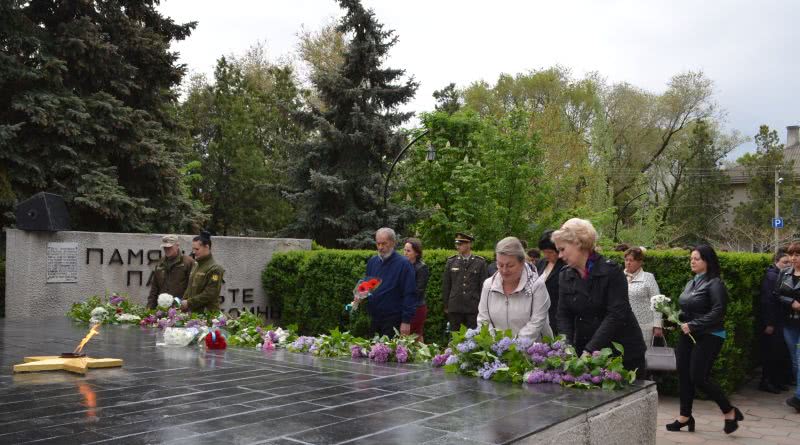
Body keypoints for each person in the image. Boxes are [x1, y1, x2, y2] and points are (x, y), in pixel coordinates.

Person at [667, 245, 743, 434]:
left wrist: (694, 325)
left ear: (707, 261)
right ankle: (685, 416)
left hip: (709, 335)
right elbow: (687, 308)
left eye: (697, 259)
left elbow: (719, 311)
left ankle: (729, 411)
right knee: (684, 375)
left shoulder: (715, 283)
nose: (692, 261)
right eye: (691, 258)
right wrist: (674, 318)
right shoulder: (691, 282)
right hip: (687, 335)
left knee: (698, 377)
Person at [552, 218, 646, 372]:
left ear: (578, 243)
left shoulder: (612, 272)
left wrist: (590, 350)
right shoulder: (565, 275)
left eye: (562, 249)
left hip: (620, 353)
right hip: (585, 350)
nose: (560, 256)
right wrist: (567, 347)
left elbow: (616, 315)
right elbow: (563, 314)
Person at [478, 237, 552, 340]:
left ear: (522, 263)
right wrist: (495, 346)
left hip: (533, 351)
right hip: (497, 351)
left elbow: (536, 323)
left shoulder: (537, 286)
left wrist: (513, 348)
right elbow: (483, 319)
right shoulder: (488, 285)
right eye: (500, 265)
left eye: (510, 265)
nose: (504, 270)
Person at [365, 228, 417, 337]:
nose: (380, 247)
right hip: (374, 318)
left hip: (393, 319)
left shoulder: (404, 264)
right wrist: (360, 295)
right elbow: (368, 286)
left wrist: (406, 321)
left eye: (384, 244)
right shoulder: (372, 262)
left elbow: (410, 293)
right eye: (378, 243)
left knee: (389, 353)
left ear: (393, 243)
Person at [759, 248, 792, 394]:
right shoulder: (772, 276)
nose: (787, 265)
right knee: (771, 353)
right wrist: (769, 323)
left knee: (779, 352)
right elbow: (768, 301)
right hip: (774, 321)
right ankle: (767, 381)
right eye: (784, 262)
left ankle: (776, 380)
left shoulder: (781, 275)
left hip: (780, 320)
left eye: (788, 263)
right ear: (776, 261)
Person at [442, 232, 488, 330]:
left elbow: (483, 287)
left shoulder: (480, 262)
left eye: (461, 244)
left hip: (473, 307)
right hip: (455, 307)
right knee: (455, 337)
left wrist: (483, 307)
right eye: (457, 244)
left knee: (472, 338)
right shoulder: (451, 262)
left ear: (469, 244)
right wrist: (446, 305)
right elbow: (446, 285)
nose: (457, 246)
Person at [775, 242, 800, 411]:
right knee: (795, 362)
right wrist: (791, 302)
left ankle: (798, 397)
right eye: (792, 254)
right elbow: (777, 294)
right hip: (789, 322)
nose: (793, 258)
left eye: (797, 255)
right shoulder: (784, 273)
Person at [623, 247, 662, 345]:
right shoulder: (619, 276)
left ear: (640, 262)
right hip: (623, 325)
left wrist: (657, 325)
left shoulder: (648, 277)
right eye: (626, 260)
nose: (628, 263)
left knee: (644, 356)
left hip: (644, 327)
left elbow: (658, 301)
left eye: (631, 260)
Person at [147, 234, 195, 309]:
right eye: (165, 247)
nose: (167, 250)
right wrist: (149, 309)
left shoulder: (188, 262)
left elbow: (193, 288)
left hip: (181, 309)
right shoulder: (160, 263)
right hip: (162, 309)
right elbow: (154, 289)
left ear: (177, 245)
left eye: (169, 247)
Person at [181, 231, 225, 313]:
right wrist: (183, 301)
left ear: (207, 247)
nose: (194, 252)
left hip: (207, 315)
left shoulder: (215, 269)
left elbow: (210, 294)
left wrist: (188, 303)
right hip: (194, 314)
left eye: (197, 249)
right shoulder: (196, 265)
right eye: (193, 249)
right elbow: (189, 288)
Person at [535, 230, 565, 336]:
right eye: (544, 252)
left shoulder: (565, 266)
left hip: (555, 315)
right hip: (539, 315)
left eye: (550, 252)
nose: (546, 255)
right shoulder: (541, 263)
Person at [403, 237, 429, 342]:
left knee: (416, 335)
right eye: (404, 250)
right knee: (405, 335)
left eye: (408, 251)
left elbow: (419, 290)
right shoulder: (403, 265)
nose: (405, 253)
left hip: (416, 307)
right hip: (404, 306)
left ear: (416, 253)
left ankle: (422, 357)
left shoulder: (422, 267)